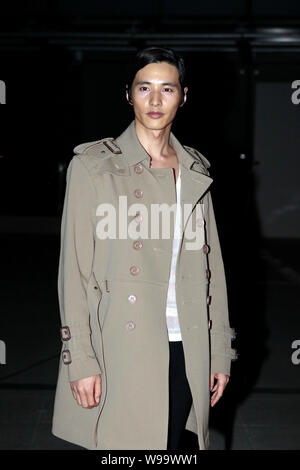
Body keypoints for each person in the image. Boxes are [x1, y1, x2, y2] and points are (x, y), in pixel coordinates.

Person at [52, 46, 237, 451]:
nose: (155, 101)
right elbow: (75, 272)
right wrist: (81, 358)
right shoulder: (94, 166)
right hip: (121, 345)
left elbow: (214, 272)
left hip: (186, 343)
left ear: (183, 96)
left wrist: (219, 351)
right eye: (144, 88)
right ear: (128, 94)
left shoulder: (195, 170)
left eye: (167, 89)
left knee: (175, 447)